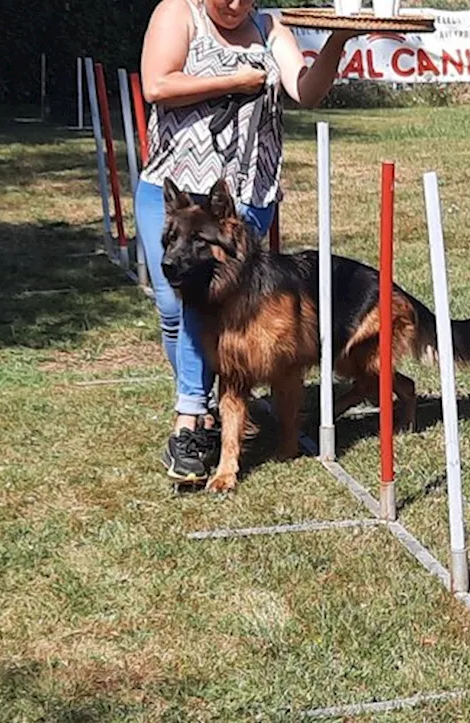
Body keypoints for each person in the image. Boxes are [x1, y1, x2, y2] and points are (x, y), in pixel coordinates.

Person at [135, 0, 362, 482]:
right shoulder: (177, 13)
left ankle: (206, 414)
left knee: (233, 313)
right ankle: (194, 417)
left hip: (246, 196)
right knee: (178, 310)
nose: (236, 5)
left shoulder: (269, 26)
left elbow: (307, 91)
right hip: (177, 194)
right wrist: (234, 81)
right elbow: (157, 85)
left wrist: (338, 41)